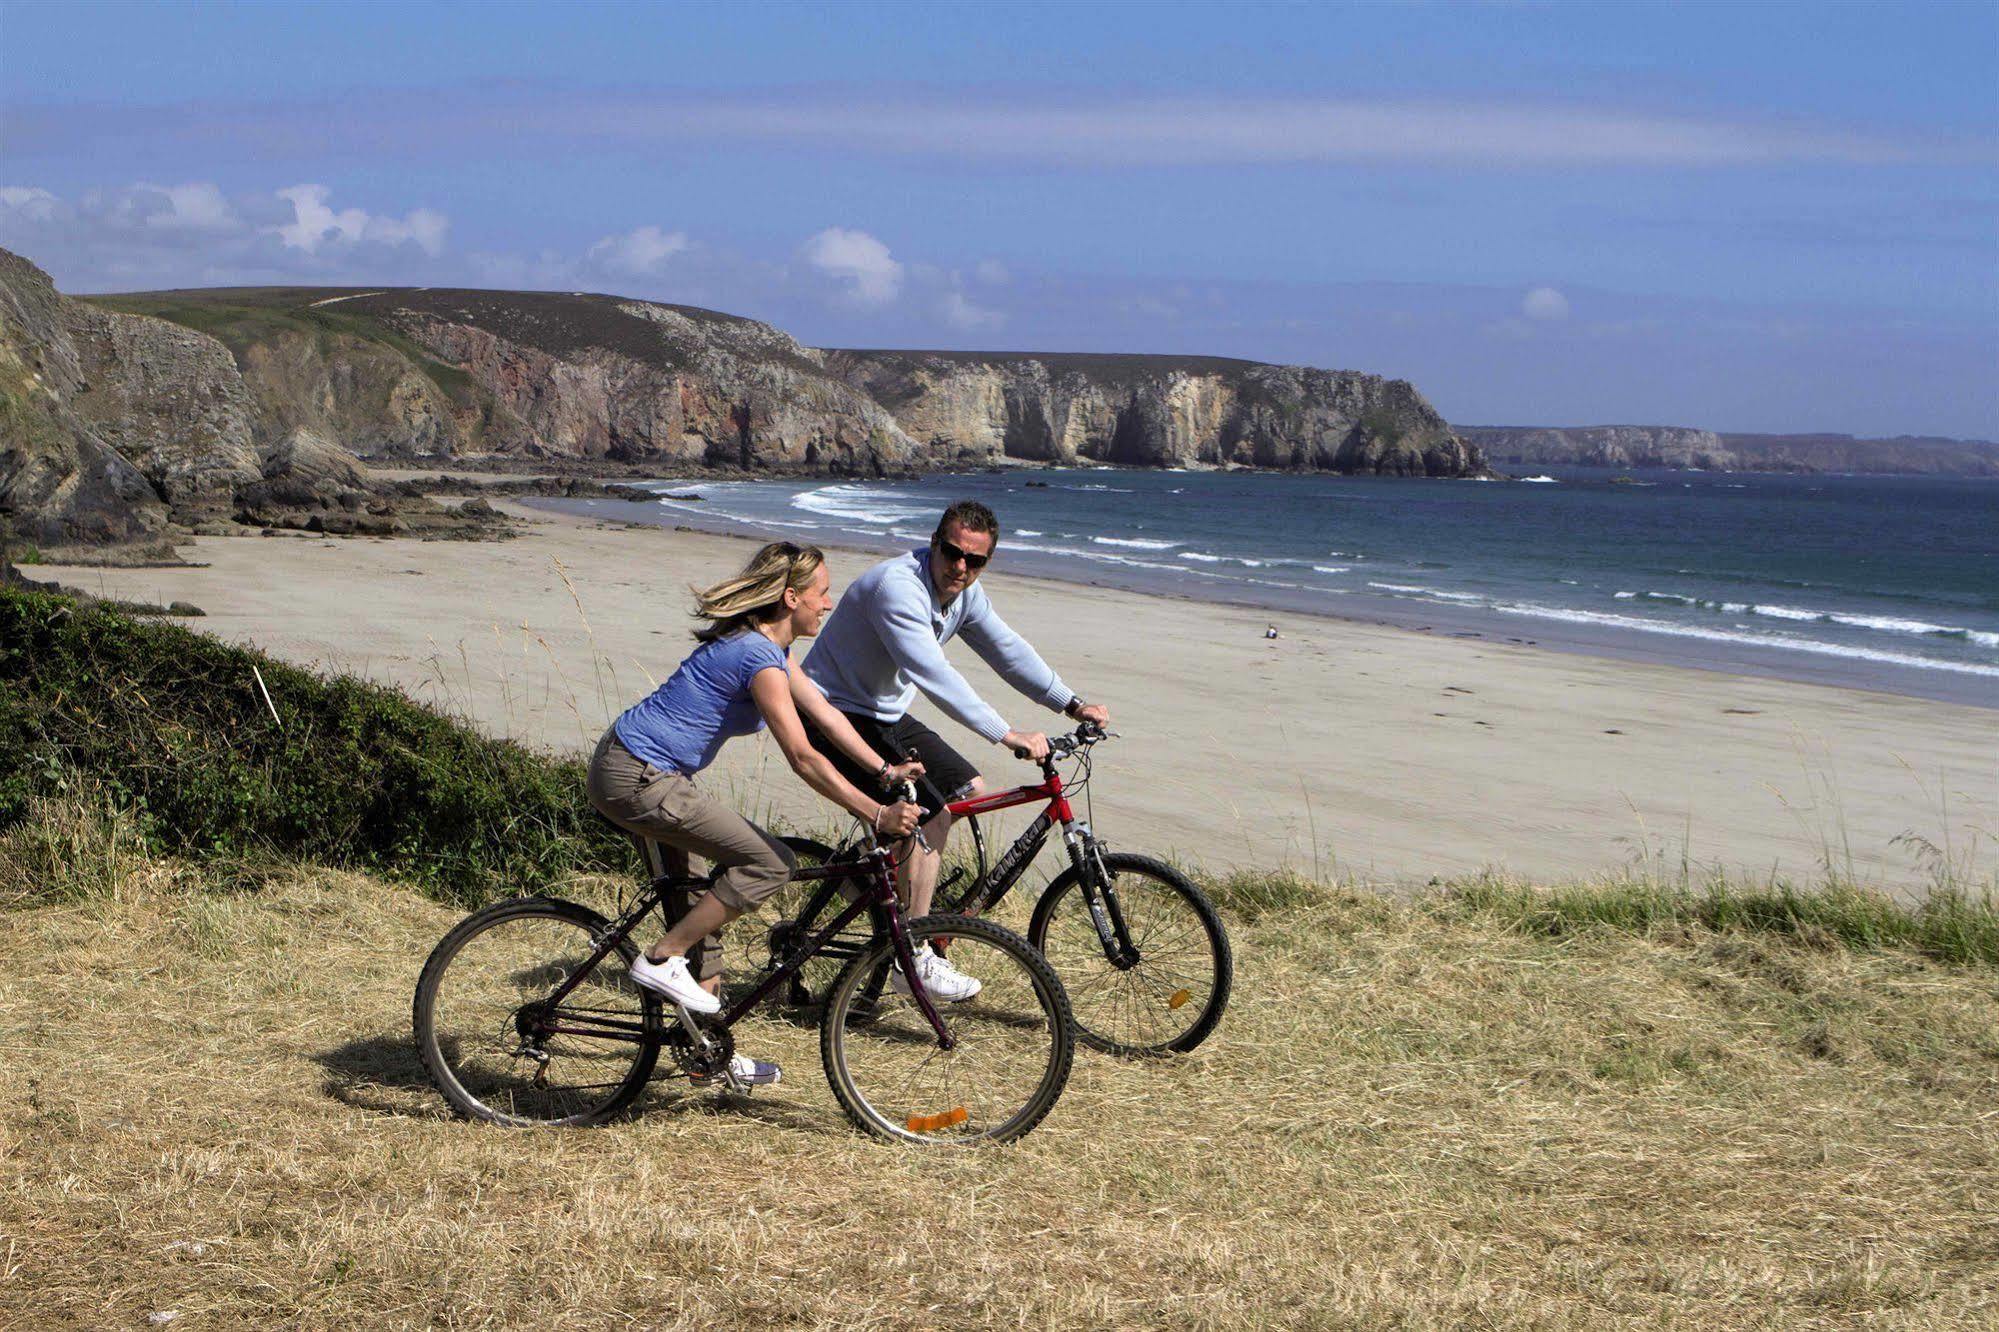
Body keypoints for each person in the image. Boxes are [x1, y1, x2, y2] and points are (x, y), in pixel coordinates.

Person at [587, 541, 924, 1087]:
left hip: (638, 768)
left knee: (701, 906)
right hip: (639, 776)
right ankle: (660, 958)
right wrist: (875, 811)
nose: (829, 603)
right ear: (791, 598)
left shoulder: (767, 650)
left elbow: (827, 717)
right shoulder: (757, 658)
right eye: (822, 593)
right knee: (771, 863)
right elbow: (804, 757)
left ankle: (709, 1053)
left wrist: (886, 771)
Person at [800, 500, 1111, 994]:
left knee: (968, 787)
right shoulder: (897, 589)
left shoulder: (965, 593)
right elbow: (933, 673)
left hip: (884, 712)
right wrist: (1006, 734)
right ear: (934, 543)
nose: (961, 567)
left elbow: (1005, 649)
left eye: (976, 560)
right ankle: (912, 957)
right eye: (953, 552)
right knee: (932, 814)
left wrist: (1069, 703)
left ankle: (868, 872)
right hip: (831, 712)